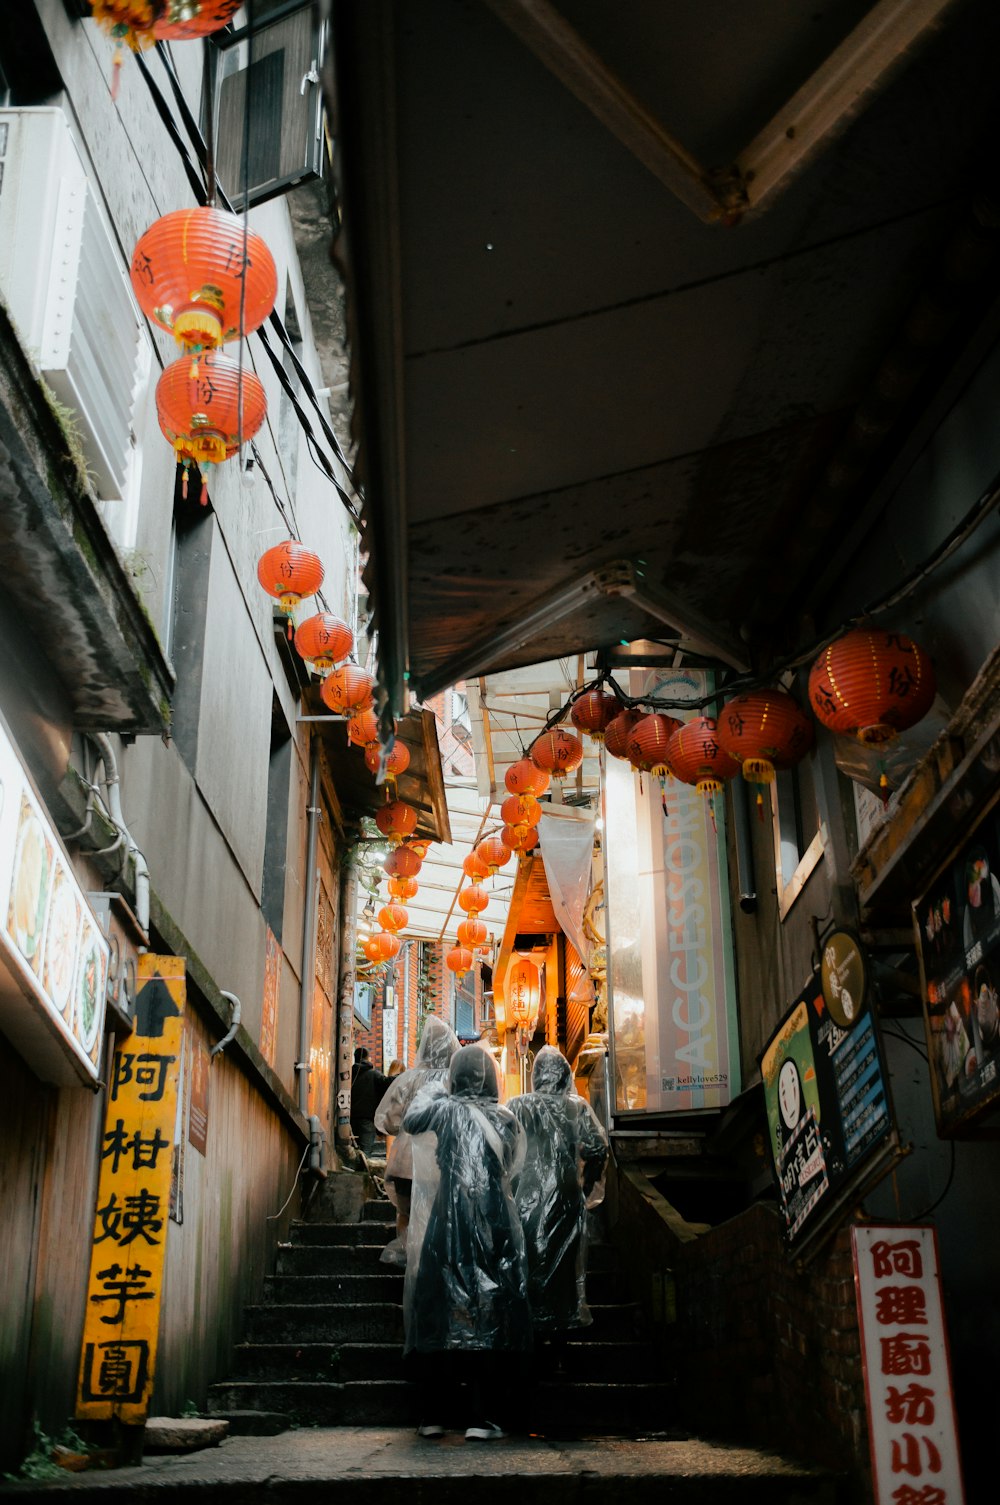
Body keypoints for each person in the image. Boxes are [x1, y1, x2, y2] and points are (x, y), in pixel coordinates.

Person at [401, 1044, 531, 1441]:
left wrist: (440, 1089)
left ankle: (433, 1414)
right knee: (489, 1312)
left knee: (436, 1307)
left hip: (446, 1218)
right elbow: (512, 1167)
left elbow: (410, 1120)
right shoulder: (505, 1118)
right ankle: (482, 1416)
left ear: (454, 1076)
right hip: (494, 1221)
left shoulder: (444, 1110)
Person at [509, 1046, 608, 1362]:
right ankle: (561, 1349)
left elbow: (502, 1149)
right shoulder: (576, 1107)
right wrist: (587, 1183)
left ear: (537, 1075)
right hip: (565, 1192)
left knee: (531, 1262)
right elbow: (597, 1148)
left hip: (527, 1195)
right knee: (564, 1270)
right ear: (566, 1075)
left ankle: (533, 1340)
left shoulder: (517, 1106)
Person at [374, 1017, 460, 1265]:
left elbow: (389, 1121)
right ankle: (434, 1267)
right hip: (442, 1161)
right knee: (440, 1215)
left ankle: (408, 1264)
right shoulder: (455, 1080)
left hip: (406, 1160)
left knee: (407, 1214)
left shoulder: (408, 1079)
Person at [350, 1046, 388, 1156]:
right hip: (367, 1119)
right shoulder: (373, 1074)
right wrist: (401, 1076)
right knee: (366, 1151)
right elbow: (386, 1082)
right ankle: (362, 1172)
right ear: (368, 1058)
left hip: (351, 1119)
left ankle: (356, 1170)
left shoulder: (349, 1075)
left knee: (354, 1150)